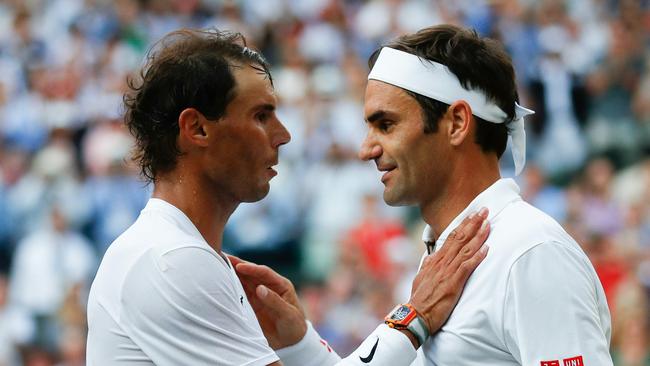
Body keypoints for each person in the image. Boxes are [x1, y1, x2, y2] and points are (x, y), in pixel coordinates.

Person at [85, 28, 491, 365]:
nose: (284, 135)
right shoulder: (171, 260)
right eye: (261, 116)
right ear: (197, 129)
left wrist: (300, 344)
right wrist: (414, 317)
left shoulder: (180, 253)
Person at [237, 24, 613, 365]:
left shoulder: (530, 251)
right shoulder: (448, 256)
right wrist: (300, 342)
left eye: (386, 124)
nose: (366, 149)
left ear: (457, 123)